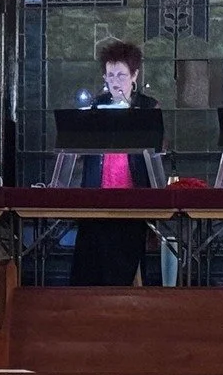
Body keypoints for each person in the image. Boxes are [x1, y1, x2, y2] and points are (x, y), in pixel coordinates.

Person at [69, 40, 161, 286]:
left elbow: (156, 146)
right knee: (89, 255)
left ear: (134, 76)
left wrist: (127, 109)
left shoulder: (147, 106)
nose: (115, 81)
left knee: (122, 253)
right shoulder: (96, 106)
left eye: (121, 74)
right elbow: (78, 148)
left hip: (132, 196)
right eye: (110, 75)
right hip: (96, 194)